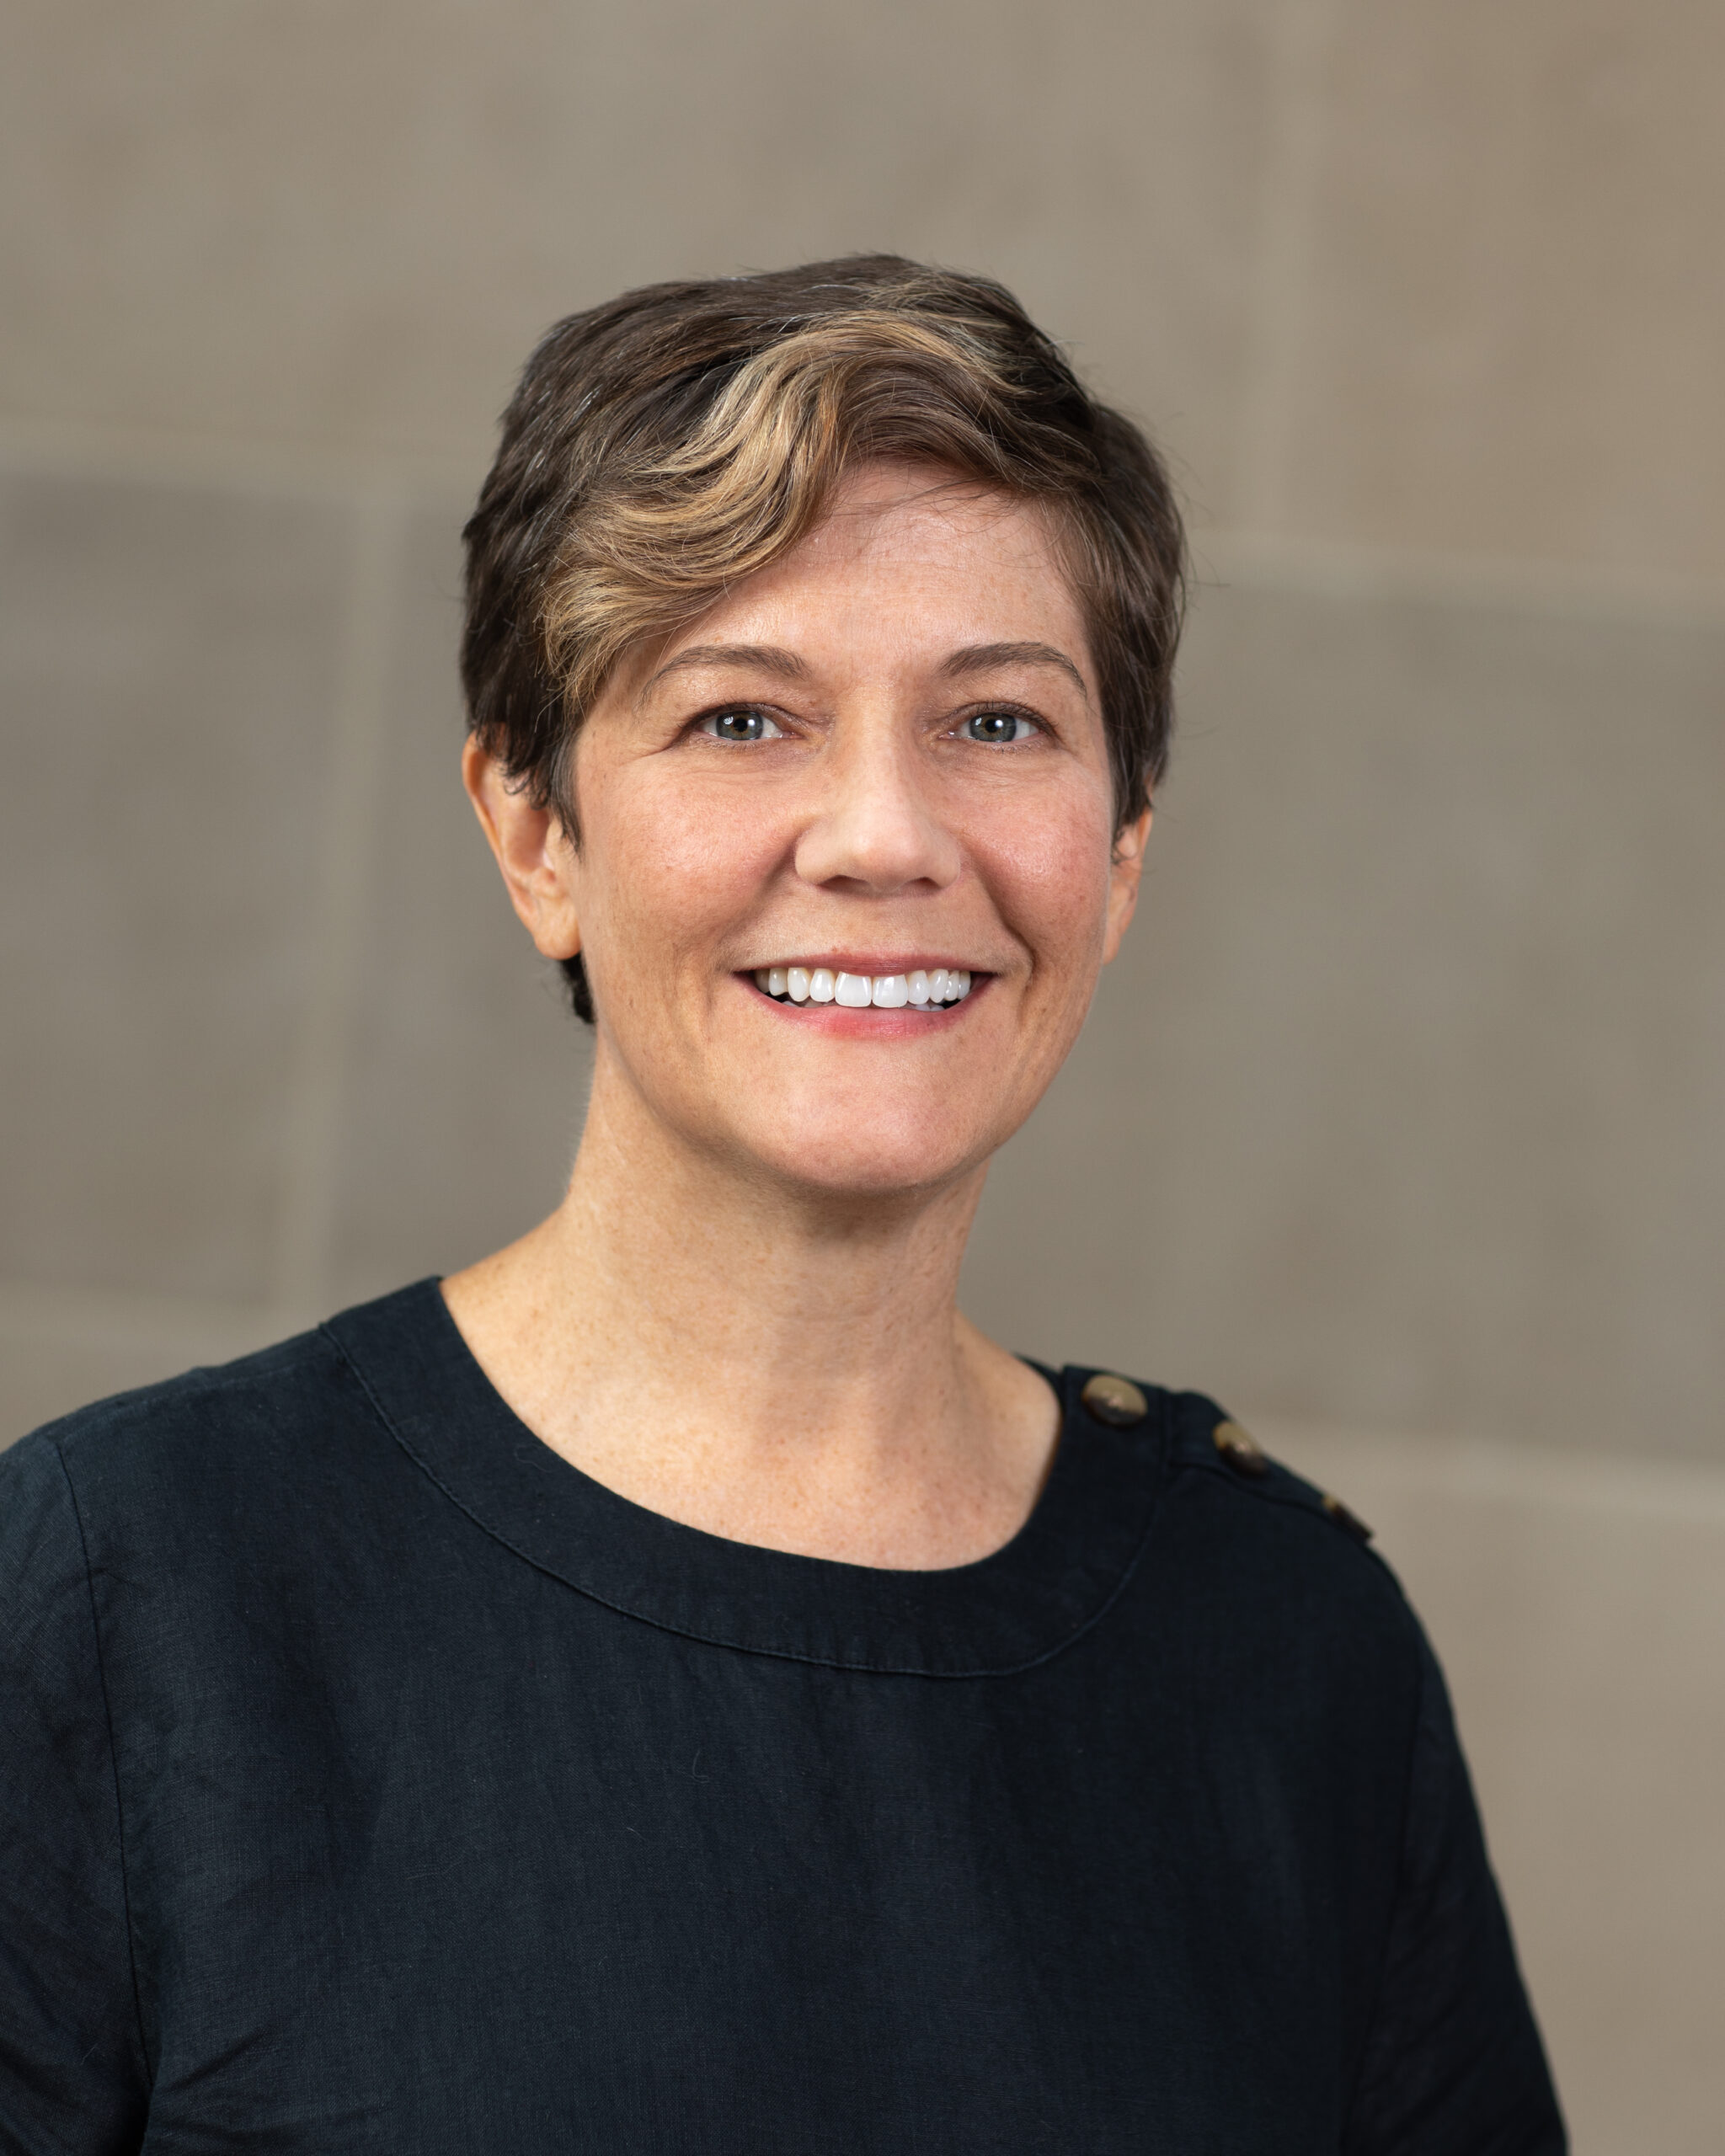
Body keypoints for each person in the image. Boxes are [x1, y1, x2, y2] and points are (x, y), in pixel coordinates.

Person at [0, 257, 1564, 2152]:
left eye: (997, 722)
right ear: (533, 830)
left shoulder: (1295, 1663)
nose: (885, 835)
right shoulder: (121, 1591)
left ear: (1122, 850)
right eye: (742, 716)